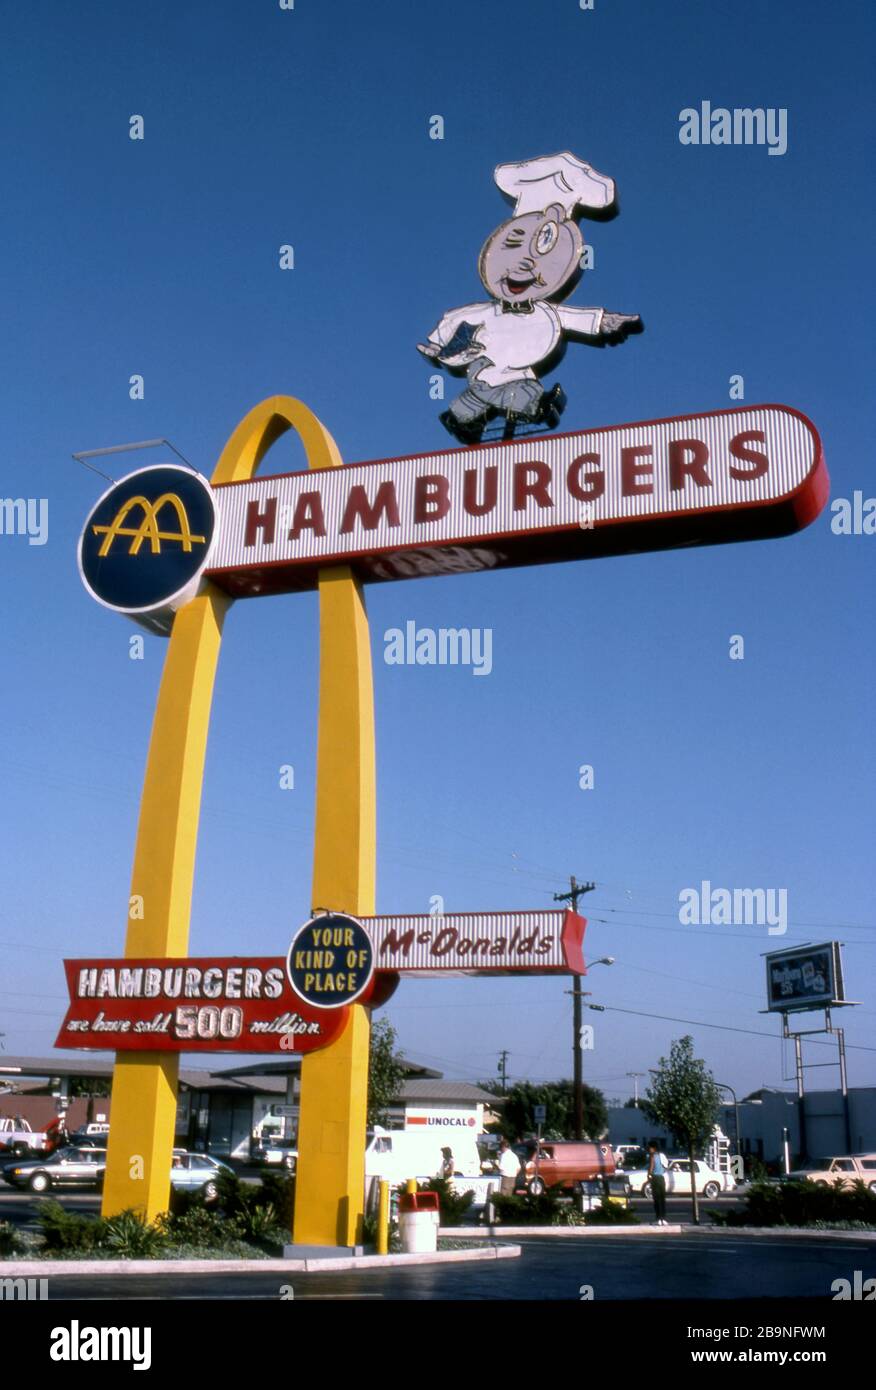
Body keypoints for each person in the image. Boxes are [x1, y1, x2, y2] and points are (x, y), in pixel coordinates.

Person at [418, 151, 643, 442]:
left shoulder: (544, 313)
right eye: (512, 245)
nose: (523, 265)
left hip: (519, 370)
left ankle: (461, 416)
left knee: (499, 392)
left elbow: (572, 318)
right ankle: (519, 409)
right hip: (487, 363)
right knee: (511, 391)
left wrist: (605, 321)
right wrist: (437, 344)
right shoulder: (487, 312)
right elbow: (456, 319)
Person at [647, 1141, 668, 1226]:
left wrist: (648, 1175)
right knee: (662, 1199)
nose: (648, 1149)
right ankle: (663, 1218)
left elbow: (651, 1167)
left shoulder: (652, 1156)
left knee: (656, 1199)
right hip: (661, 1178)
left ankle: (658, 1218)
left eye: (649, 1148)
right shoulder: (661, 1156)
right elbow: (665, 1167)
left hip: (655, 1178)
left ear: (653, 1148)